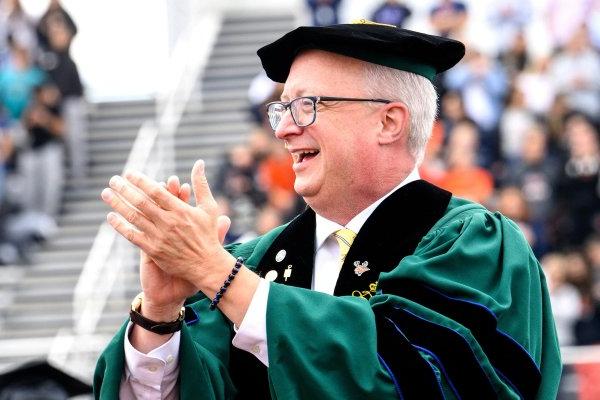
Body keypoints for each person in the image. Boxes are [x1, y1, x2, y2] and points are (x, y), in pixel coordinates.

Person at [94, 22, 561, 399]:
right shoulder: (253, 263)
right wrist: (159, 312)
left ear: (389, 121)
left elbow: (418, 378)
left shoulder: (475, 244)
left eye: (308, 106)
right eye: (282, 109)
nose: (284, 130)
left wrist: (219, 275)